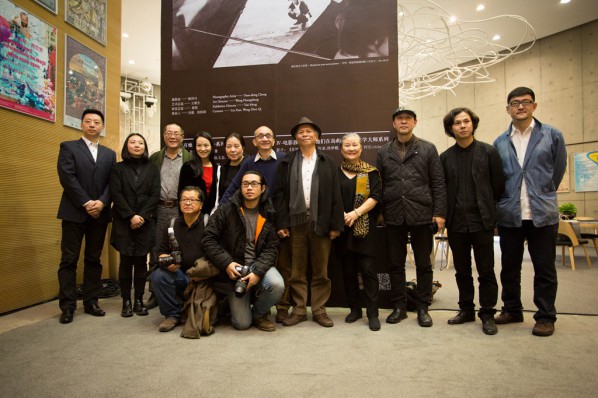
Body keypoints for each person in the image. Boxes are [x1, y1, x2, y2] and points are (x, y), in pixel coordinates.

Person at [493, 87, 567, 337]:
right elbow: (497, 178)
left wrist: (543, 193)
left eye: (525, 102)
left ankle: (545, 316)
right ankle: (512, 309)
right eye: (515, 103)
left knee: (544, 267)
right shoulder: (501, 142)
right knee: (509, 267)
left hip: (542, 213)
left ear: (534, 106)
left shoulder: (551, 135)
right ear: (508, 109)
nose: (520, 106)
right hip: (510, 214)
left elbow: (557, 171)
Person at [376, 107, 446, 327]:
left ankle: (423, 306)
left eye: (408, 118)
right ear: (394, 124)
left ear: (415, 122)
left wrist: (440, 213)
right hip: (393, 214)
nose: (403, 122)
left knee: (423, 264)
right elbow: (379, 184)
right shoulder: (383, 151)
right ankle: (399, 306)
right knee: (395, 263)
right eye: (399, 119)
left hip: (422, 214)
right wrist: (379, 214)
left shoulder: (427, 148)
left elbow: (438, 182)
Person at [272, 117, 344, 327]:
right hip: (295, 224)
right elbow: (278, 196)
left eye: (309, 131)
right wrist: (282, 223)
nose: (305, 134)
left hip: (320, 222)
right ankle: (300, 309)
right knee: (296, 270)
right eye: (301, 132)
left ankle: (319, 310)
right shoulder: (287, 162)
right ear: (295, 137)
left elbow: (335, 196)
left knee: (321, 270)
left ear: (317, 136)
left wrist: (335, 225)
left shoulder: (327, 162)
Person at [440, 108, 505, 335]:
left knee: (486, 270)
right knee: (462, 270)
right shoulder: (445, 157)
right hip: (456, 223)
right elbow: (442, 191)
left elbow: (498, 187)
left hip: (482, 221)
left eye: (466, 121)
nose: (463, 126)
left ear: (473, 124)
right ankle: (466, 309)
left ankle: (487, 313)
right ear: (451, 128)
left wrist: (488, 209)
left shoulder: (489, 152)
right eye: (457, 123)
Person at [218, 126, 289, 324]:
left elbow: (288, 193)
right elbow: (233, 188)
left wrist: (284, 222)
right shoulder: (249, 163)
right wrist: (219, 212)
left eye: (268, 135)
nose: (264, 139)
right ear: (254, 142)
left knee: (277, 269)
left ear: (274, 140)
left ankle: (268, 310)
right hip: (254, 214)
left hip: (275, 220)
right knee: (241, 324)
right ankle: (241, 306)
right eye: (260, 136)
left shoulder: (284, 159)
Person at [203, 171, 284, 331]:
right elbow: (208, 239)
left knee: (276, 284)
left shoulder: (269, 212)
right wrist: (226, 263)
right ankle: (228, 304)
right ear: (240, 187)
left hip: (258, 264)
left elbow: (271, 248)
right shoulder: (226, 210)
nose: (249, 188)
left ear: (262, 188)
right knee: (242, 324)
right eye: (245, 184)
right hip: (234, 266)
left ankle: (259, 314)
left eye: (254, 184)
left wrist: (258, 272)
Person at [56, 109, 116, 324]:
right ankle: (68, 306)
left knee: (94, 258)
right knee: (69, 259)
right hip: (74, 212)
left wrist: (101, 201)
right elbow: (67, 177)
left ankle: (91, 301)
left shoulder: (109, 154)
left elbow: (112, 182)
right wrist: (86, 202)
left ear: (102, 127)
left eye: (97, 122)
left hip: (100, 213)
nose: (92, 125)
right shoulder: (69, 147)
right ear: (81, 124)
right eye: (88, 121)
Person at [109, 133, 160, 318]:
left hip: (145, 222)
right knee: (125, 262)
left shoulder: (152, 168)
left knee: (141, 262)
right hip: (124, 221)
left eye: (140, 143)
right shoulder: (117, 168)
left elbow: (155, 194)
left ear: (145, 147)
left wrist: (142, 216)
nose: (137, 145)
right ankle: (126, 301)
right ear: (126, 146)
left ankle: (139, 299)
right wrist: (131, 216)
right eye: (133, 142)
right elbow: (116, 193)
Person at [335, 133, 382, 331]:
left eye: (355, 145)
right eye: (347, 145)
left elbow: (376, 196)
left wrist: (356, 213)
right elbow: (330, 197)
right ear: (341, 149)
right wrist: (342, 216)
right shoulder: (334, 172)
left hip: (365, 229)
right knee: (348, 272)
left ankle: (373, 313)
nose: (351, 148)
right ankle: (355, 310)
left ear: (361, 149)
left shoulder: (371, 172)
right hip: (342, 229)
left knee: (369, 272)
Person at [150, 186, 207, 332]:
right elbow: (161, 252)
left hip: (203, 276)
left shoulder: (208, 224)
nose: (187, 203)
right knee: (158, 276)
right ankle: (172, 315)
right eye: (184, 200)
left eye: (192, 200)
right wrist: (167, 262)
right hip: (181, 274)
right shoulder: (172, 224)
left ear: (201, 205)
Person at [147, 123, 192, 307]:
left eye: (176, 133)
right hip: (158, 208)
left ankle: (179, 290)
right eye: (169, 133)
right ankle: (154, 292)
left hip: (180, 209)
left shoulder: (190, 158)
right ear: (164, 136)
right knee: (157, 248)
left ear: (182, 136)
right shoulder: (155, 158)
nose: (172, 136)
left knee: (179, 248)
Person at [178, 131, 220, 215]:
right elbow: (181, 193)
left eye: (206, 145)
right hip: (191, 214)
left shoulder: (217, 168)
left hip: (211, 214)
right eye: (199, 145)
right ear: (195, 148)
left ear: (211, 147)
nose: (203, 149)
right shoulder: (188, 167)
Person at [218, 132, 245, 200]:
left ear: (243, 148)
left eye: (236, 146)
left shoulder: (250, 165)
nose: (232, 150)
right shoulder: (223, 168)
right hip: (227, 208)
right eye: (229, 146)